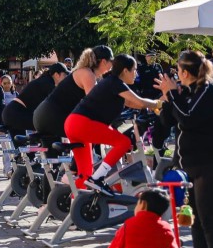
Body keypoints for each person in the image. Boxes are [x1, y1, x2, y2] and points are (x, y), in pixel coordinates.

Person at [155, 50, 213, 248]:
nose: (175, 76)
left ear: (185, 72)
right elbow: (169, 121)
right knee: (195, 219)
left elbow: (188, 118)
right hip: (194, 166)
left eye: (178, 71)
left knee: (210, 219)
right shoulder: (192, 91)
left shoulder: (209, 91)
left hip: (212, 164)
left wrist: (172, 94)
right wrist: (169, 98)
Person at [64, 54, 161, 195]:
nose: (136, 73)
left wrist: (155, 105)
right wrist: (160, 104)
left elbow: (132, 103)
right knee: (124, 142)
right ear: (125, 71)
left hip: (73, 124)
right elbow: (140, 102)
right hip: (83, 124)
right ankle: (97, 178)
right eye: (134, 70)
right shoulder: (116, 82)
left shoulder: (111, 83)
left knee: (85, 173)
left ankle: (75, 202)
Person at [33, 45, 114, 138]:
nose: (112, 66)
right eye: (111, 62)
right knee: (90, 133)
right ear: (104, 61)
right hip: (51, 116)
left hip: (44, 115)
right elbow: (94, 103)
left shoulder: (85, 72)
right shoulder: (88, 74)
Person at [2, 62, 69, 139]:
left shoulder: (44, 80)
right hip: (16, 114)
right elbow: (58, 105)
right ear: (57, 75)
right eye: (65, 75)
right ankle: (49, 146)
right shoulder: (48, 83)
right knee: (49, 126)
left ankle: (41, 145)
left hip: (12, 113)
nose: (66, 78)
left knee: (22, 144)